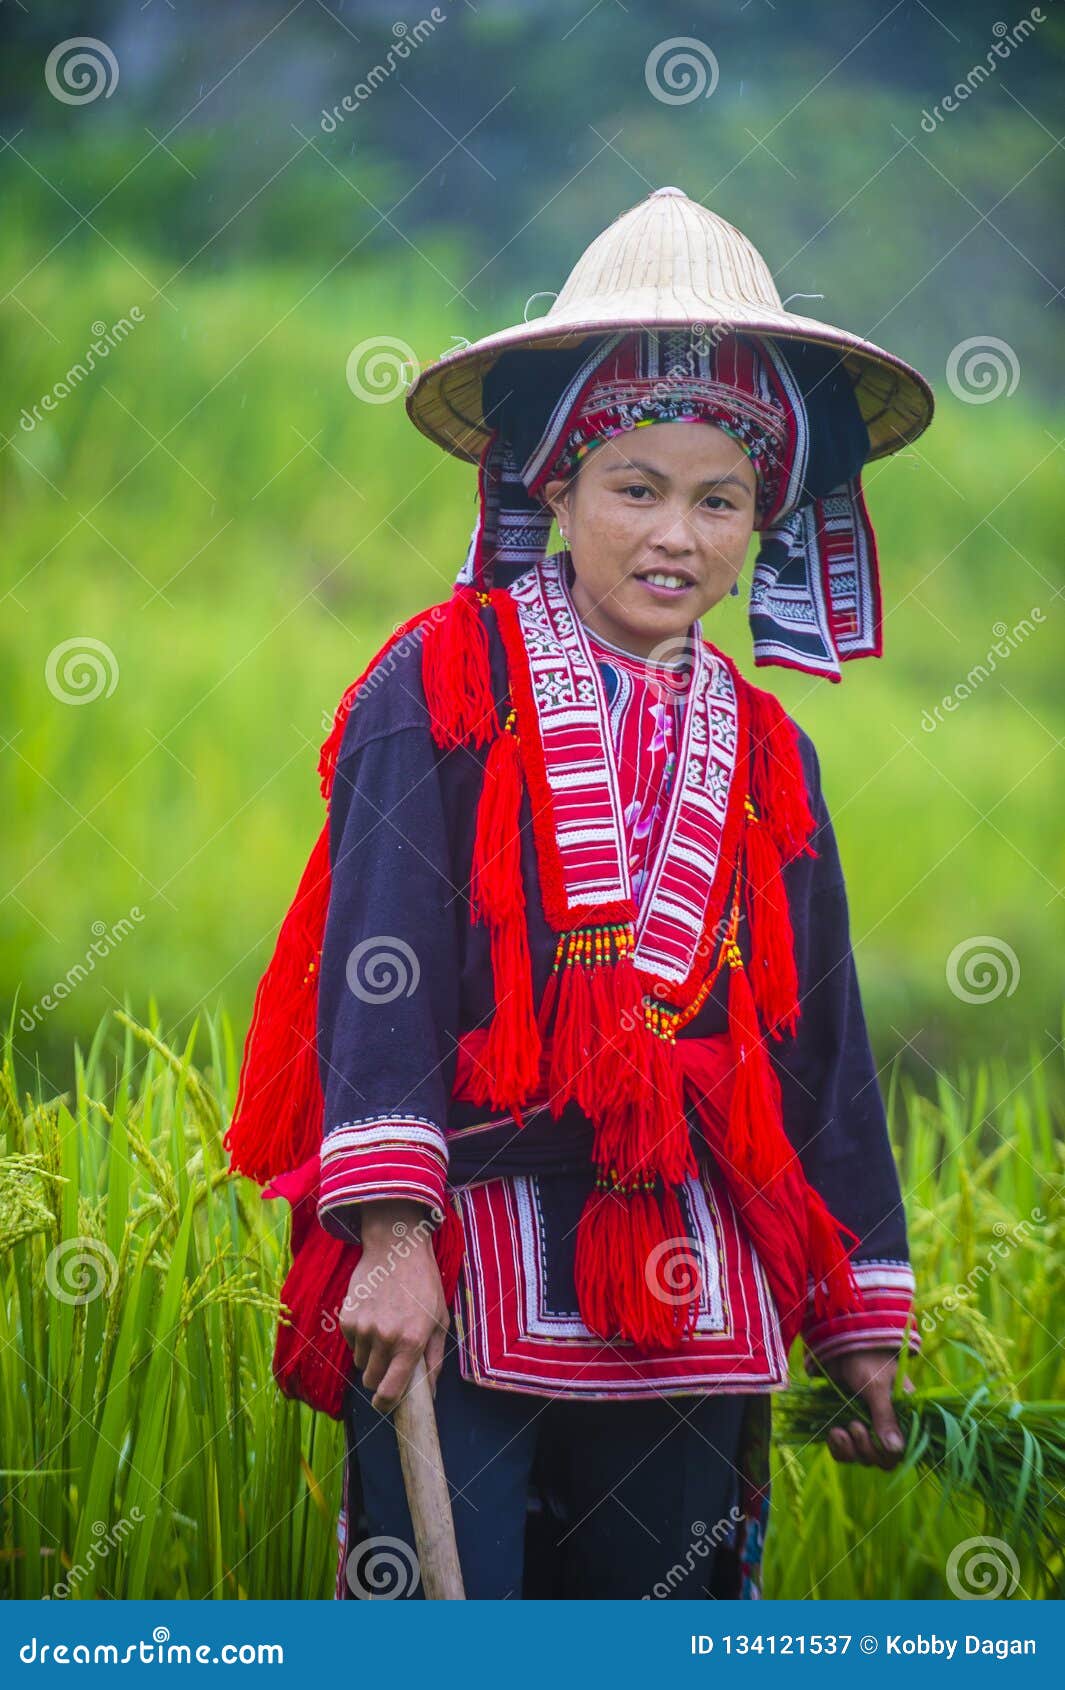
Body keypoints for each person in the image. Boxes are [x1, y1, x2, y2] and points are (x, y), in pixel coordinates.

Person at [225, 187, 934, 1600]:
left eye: (719, 500)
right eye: (637, 487)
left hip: (700, 1281)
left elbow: (821, 1045)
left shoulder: (771, 755)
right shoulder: (436, 681)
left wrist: (857, 1307)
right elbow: (380, 963)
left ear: (762, 523)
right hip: (465, 1263)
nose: (677, 535)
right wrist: (391, 1237)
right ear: (553, 486)